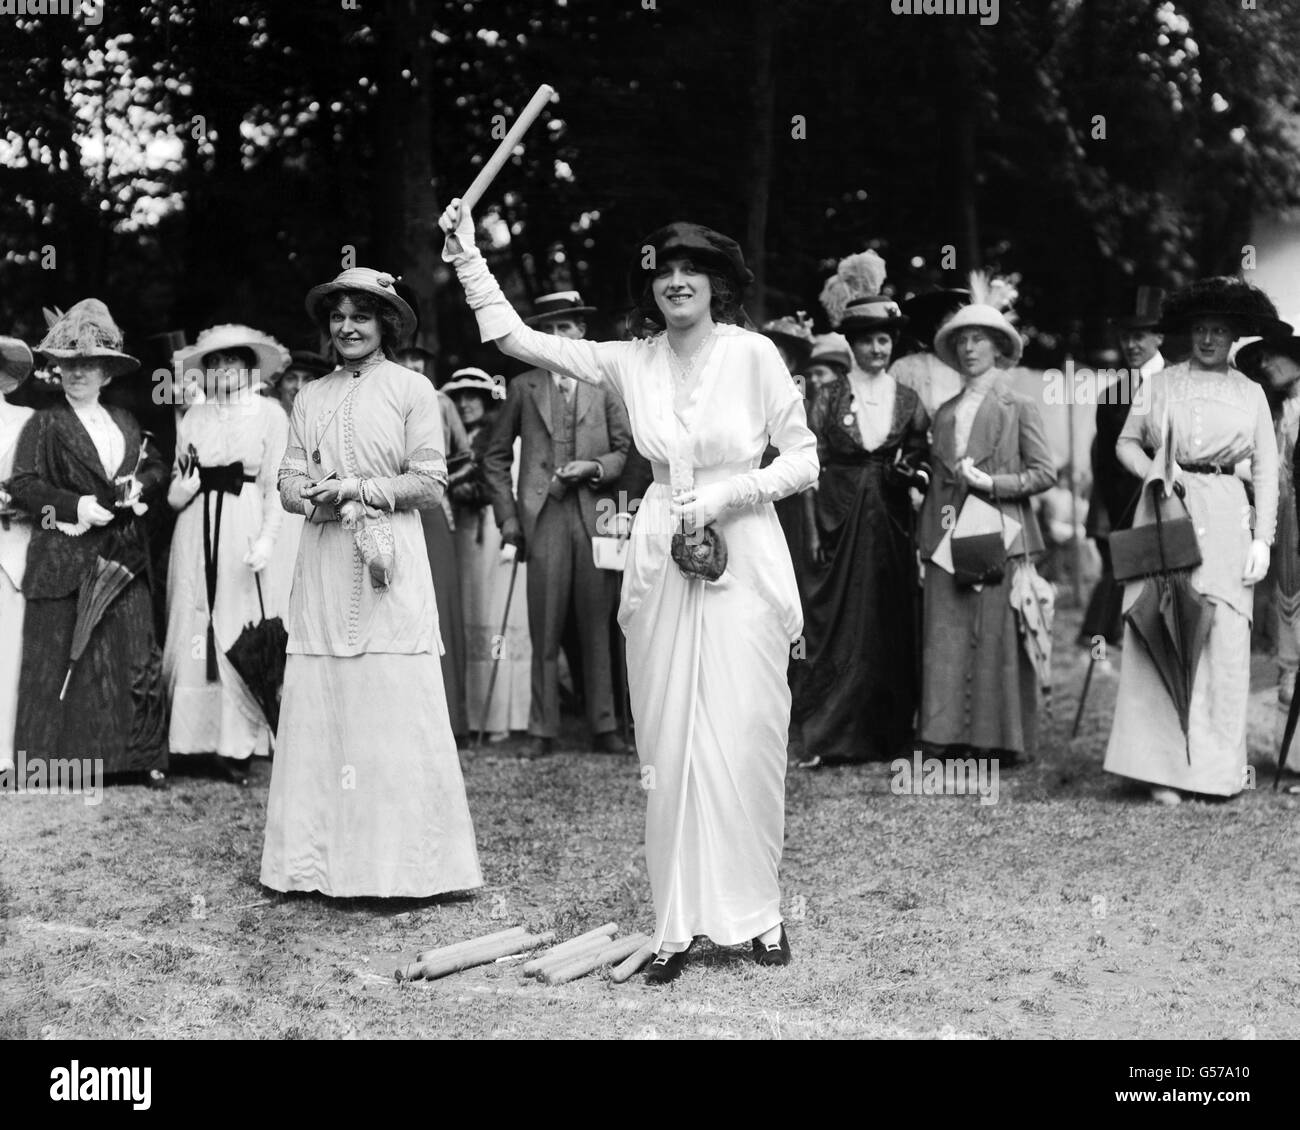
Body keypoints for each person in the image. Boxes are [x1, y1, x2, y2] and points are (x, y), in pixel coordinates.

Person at [441, 203, 818, 982]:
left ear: (718, 284)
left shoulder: (754, 356)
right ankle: (676, 924)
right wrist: (467, 256)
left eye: (693, 271)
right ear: (651, 290)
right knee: (670, 740)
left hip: (740, 546)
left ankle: (759, 916)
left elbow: (804, 461)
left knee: (747, 732)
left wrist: (723, 500)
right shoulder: (627, 359)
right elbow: (518, 339)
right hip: (659, 551)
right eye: (664, 272)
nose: (677, 281)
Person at [260, 267, 481, 897]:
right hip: (327, 562)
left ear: (385, 323)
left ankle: (406, 872)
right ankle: (312, 867)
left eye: (361, 315)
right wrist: (314, 498)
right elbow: (287, 483)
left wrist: (362, 489)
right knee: (327, 698)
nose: (348, 327)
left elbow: (431, 482)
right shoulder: (308, 398)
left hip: (391, 561)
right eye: (338, 316)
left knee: (391, 700)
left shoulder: (413, 390)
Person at [1104, 277, 1283, 804]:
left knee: (1224, 639)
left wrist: (1262, 539)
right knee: (1162, 625)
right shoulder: (1160, 386)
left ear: (1234, 338)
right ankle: (1159, 770)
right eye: (1200, 329)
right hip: (1165, 510)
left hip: (1227, 514)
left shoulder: (1250, 393)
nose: (1208, 339)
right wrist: (1157, 469)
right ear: (1188, 335)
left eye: (1219, 330)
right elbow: (1126, 443)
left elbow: (1268, 473)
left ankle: (1212, 772)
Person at [9, 300, 169, 786]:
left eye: (89, 364)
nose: (78, 373)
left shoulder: (123, 419)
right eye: (68, 364)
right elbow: (23, 485)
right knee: (60, 657)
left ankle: (135, 759)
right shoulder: (44, 422)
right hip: (63, 556)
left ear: (106, 372)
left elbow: (155, 463)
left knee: (131, 653)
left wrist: (142, 488)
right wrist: (74, 505)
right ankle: (51, 765)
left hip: (122, 554)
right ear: (57, 370)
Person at [481, 290, 632, 758]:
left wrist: (593, 468)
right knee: (544, 624)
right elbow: (493, 456)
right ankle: (542, 729)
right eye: (549, 329)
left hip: (594, 514)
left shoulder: (605, 384)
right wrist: (508, 517)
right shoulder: (524, 386)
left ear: (583, 333)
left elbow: (626, 450)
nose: (559, 336)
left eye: (567, 327)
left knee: (598, 623)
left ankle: (605, 725)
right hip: (542, 517)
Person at [916, 282, 1055, 762]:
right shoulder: (945, 413)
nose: (969, 348)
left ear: (999, 348)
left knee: (997, 638)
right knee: (947, 635)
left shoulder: (1021, 406)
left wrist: (994, 484)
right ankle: (945, 734)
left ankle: (1000, 741)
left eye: (979, 339)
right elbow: (936, 484)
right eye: (962, 340)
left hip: (1001, 530)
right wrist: (926, 543)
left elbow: (1044, 473)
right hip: (948, 537)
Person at [794, 289, 929, 767]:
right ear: (852, 344)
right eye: (869, 341)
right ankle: (827, 736)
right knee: (835, 623)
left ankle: (888, 733)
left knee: (888, 620)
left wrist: (911, 473)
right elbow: (810, 466)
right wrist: (812, 531)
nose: (878, 349)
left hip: (891, 522)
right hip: (839, 517)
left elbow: (920, 459)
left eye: (886, 340)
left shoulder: (909, 399)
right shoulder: (827, 397)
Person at [163, 325, 291, 782]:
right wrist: (183, 487)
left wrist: (268, 539)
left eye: (232, 362)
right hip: (195, 527)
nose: (223, 370)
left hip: (245, 524)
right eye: (214, 364)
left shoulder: (271, 414)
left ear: (248, 367)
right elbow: (177, 491)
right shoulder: (193, 417)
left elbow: (278, 485)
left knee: (239, 622)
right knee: (196, 619)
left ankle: (242, 742)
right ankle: (193, 740)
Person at [444, 366, 531, 739]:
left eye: (473, 397)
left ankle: (504, 716)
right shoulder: (451, 443)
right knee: (470, 613)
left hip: (498, 529)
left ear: (486, 400)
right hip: (463, 531)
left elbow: (510, 481)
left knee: (499, 616)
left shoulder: (504, 436)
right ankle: (472, 713)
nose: (466, 404)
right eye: (459, 398)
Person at [1079, 286, 1166, 656]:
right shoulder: (1111, 395)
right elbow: (1106, 467)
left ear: (1159, 337)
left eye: (1140, 336)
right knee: (1136, 609)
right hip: (1129, 514)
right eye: (1126, 336)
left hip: (1178, 512)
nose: (1132, 344)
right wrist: (1124, 518)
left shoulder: (1179, 383)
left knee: (1174, 606)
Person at [1236, 333, 1300, 724]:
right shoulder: (1274, 415)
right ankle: (1294, 754)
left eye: (1275, 354)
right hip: (1288, 527)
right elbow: (1272, 475)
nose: (1266, 363)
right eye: (1261, 358)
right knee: (1290, 622)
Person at [264, 350, 332, 615]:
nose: (299, 386)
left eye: (307, 378)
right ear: (280, 383)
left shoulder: (323, 421)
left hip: (309, 507)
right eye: (292, 378)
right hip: (270, 508)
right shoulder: (267, 416)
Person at [0, 337, 36, 777]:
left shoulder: (27, 421)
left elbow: (42, 489)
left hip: (11, 545)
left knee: (9, 646)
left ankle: (6, 752)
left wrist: (16, 500)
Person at [890, 287, 970, 419]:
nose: (958, 333)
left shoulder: (977, 369)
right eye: (951, 325)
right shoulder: (906, 369)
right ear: (937, 327)